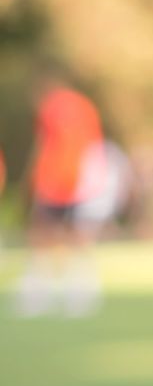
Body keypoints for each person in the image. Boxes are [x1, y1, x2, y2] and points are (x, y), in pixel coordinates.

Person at [16, 80, 104, 316]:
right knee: (78, 238)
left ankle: (37, 294)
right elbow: (94, 147)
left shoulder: (50, 107)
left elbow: (44, 145)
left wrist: (32, 180)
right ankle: (80, 293)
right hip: (80, 182)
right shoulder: (86, 106)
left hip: (54, 181)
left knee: (43, 238)